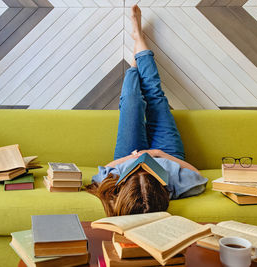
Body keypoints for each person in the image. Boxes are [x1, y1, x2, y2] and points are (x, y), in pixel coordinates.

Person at [86, 5, 207, 217]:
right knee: (154, 96)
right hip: (167, 153)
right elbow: (197, 174)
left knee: (132, 100)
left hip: (128, 155)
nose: (144, 169)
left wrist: (134, 160)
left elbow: (104, 169)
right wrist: (157, 154)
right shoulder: (175, 186)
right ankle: (138, 37)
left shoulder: (116, 183)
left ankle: (136, 59)